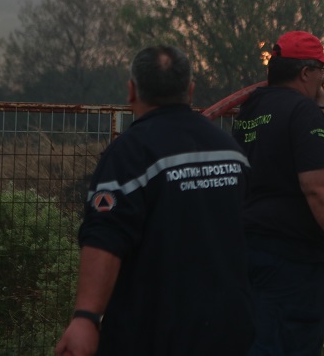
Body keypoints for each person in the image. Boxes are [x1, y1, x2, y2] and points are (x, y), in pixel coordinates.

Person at [55, 45, 253, 356]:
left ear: (131, 91)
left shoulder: (130, 153)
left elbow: (105, 236)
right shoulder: (230, 150)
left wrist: (86, 318)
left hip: (152, 332)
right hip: (228, 329)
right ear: (189, 90)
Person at [232, 30, 324, 355]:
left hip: (247, 250)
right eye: (321, 70)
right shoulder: (302, 113)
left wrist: (316, 94)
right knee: (288, 344)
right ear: (305, 73)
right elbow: (317, 188)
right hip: (291, 261)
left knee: (256, 341)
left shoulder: (250, 111)